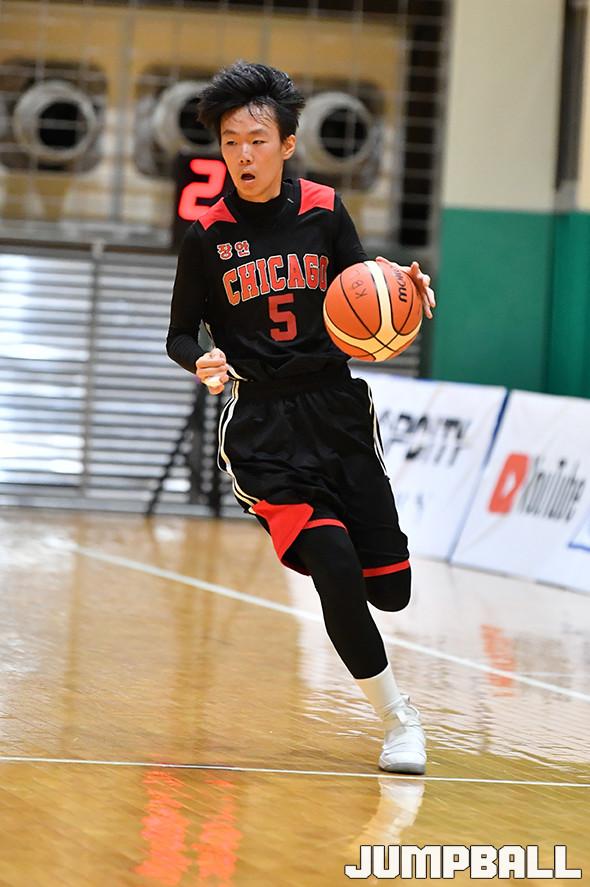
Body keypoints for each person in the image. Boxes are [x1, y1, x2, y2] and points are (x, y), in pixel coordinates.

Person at [166, 60, 436, 774]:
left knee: (391, 589)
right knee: (334, 562)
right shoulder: (207, 235)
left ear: (287, 144)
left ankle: (366, 611)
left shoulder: (323, 208)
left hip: (337, 412)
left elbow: (366, 289)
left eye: (257, 140)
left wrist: (406, 293)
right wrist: (200, 359)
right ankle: (399, 720)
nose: (243, 155)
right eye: (230, 142)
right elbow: (179, 333)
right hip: (262, 428)